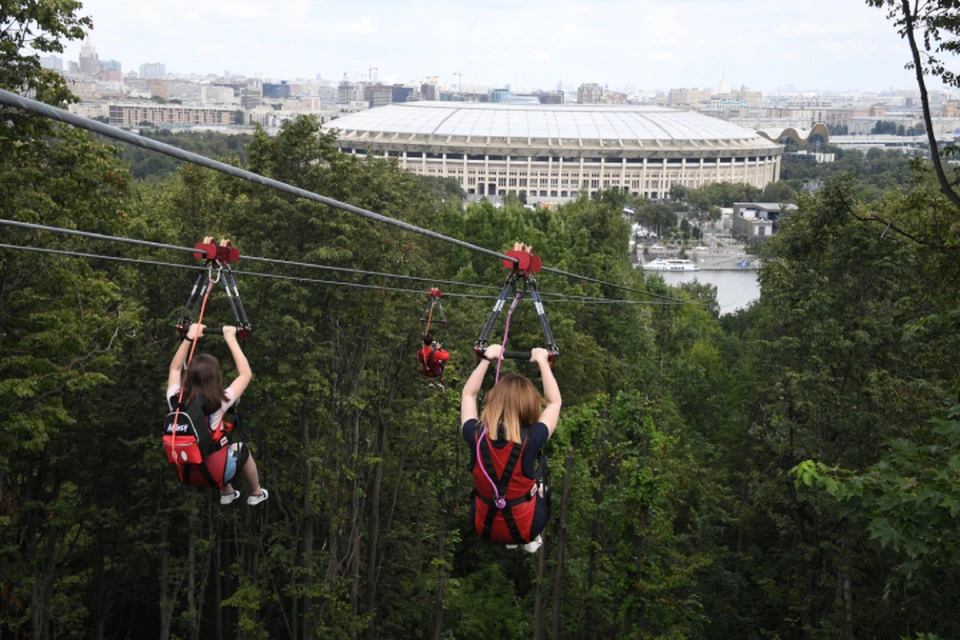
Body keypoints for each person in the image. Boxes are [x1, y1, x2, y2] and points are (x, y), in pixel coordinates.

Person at [460, 344, 561, 552]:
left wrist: (487, 360)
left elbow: (468, 395)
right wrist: (543, 362)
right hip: (525, 528)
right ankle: (530, 538)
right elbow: (554, 402)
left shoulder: (475, 434)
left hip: (483, 525)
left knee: (484, 489)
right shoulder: (532, 439)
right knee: (542, 487)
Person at [167, 323, 268, 506]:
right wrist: (230, 338)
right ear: (216, 378)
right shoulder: (220, 400)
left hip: (187, 474)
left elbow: (174, 369)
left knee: (217, 440)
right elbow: (245, 374)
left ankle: (227, 491)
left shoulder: (175, 399)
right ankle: (256, 492)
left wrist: (189, 338)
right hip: (215, 472)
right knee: (240, 448)